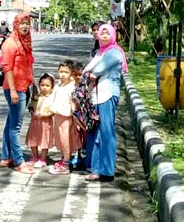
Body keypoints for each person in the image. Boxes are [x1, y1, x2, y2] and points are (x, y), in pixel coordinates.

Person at [83, 23, 127, 182]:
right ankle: (96, 169)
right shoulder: (101, 52)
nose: (104, 36)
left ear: (113, 35)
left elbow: (95, 72)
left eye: (107, 33)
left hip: (107, 95)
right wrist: (89, 74)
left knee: (106, 133)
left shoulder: (114, 52)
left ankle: (107, 171)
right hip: (97, 96)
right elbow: (86, 71)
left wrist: (90, 74)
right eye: (102, 34)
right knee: (96, 133)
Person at [0, 13, 35, 173]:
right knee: (16, 127)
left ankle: (6, 157)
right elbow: (7, 68)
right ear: (15, 25)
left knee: (10, 123)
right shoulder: (10, 43)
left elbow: (27, 67)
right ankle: (20, 162)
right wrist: (13, 91)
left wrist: (33, 85)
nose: (25, 27)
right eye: (22, 24)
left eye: (27, 23)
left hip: (24, 87)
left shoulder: (24, 42)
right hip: (15, 90)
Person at [49, 60, 77, 175]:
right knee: (60, 138)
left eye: (66, 72)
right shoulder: (58, 86)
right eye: (61, 72)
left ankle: (65, 163)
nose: (63, 75)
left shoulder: (72, 86)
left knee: (66, 139)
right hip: (58, 115)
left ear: (71, 73)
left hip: (66, 117)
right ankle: (64, 158)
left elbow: (74, 102)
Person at [26, 73, 55, 169]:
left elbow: (53, 111)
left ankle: (43, 158)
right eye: (42, 85)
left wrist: (45, 115)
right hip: (35, 122)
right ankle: (34, 156)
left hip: (45, 122)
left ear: (52, 86)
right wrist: (33, 112)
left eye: (47, 85)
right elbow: (31, 107)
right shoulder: (37, 96)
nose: (44, 88)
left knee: (44, 140)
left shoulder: (52, 97)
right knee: (33, 139)